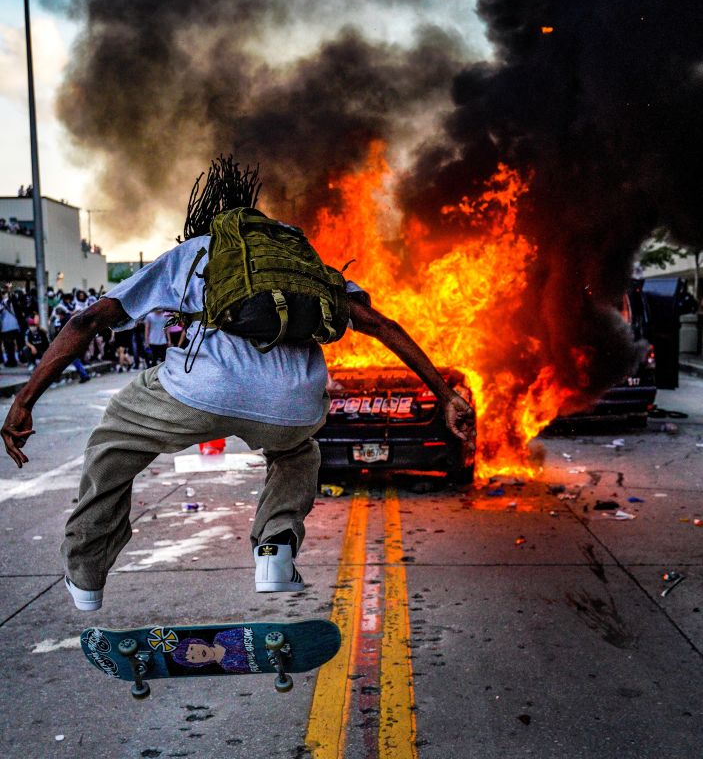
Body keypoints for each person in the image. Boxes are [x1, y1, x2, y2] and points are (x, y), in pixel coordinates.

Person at [1, 158, 475, 612]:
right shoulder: (299, 258)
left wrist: (24, 400)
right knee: (298, 451)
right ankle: (275, 550)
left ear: (207, 221)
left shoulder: (195, 251)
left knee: (114, 440)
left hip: (199, 392)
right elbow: (380, 324)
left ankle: (86, 570)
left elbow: (86, 322)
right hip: (293, 405)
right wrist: (446, 393)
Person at [0, 284, 24, 368]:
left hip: (10, 327)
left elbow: (12, 299)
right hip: (7, 327)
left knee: (11, 345)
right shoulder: (3, 303)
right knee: (9, 345)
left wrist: (9, 290)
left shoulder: (9, 302)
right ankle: (12, 361)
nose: (3, 294)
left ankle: (13, 361)